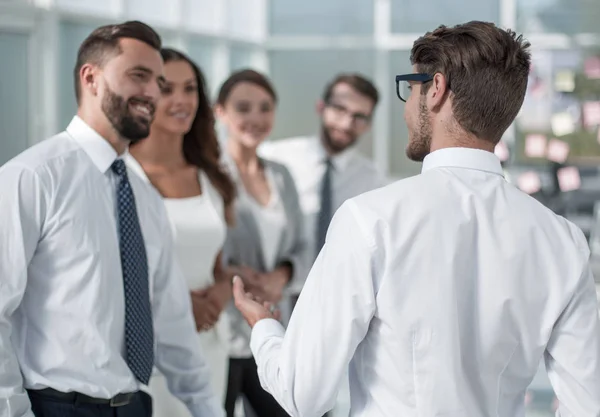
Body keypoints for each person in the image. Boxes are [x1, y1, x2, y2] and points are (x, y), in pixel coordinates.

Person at [233, 21, 600, 416]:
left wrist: (263, 328)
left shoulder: (370, 219)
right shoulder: (562, 240)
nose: (407, 108)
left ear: (436, 89)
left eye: (411, 89)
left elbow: (302, 393)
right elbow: (589, 403)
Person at [0, 21, 224, 417]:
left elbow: (171, 321)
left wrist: (208, 408)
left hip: (133, 404)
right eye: (139, 76)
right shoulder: (33, 177)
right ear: (92, 78)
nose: (153, 92)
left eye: (157, 81)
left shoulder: (144, 198)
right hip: (53, 407)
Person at [126, 48, 236, 414]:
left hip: (209, 344)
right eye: (167, 88)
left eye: (189, 89)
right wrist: (179, 304)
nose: (181, 100)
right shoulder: (122, 175)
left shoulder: (209, 174)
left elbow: (219, 265)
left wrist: (219, 295)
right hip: (152, 349)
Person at [216, 69, 307, 417]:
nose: (255, 117)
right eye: (243, 107)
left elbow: (303, 245)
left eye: (264, 108)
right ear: (220, 112)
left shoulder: (281, 175)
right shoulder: (207, 174)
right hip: (223, 332)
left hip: (272, 330)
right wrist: (243, 276)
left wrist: (281, 276)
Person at [259, 73, 387, 294]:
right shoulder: (276, 158)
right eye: (340, 110)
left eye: (359, 117)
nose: (347, 124)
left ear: (368, 125)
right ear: (321, 107)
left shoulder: (372, 180)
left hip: (339, 295)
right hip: (276, 290)